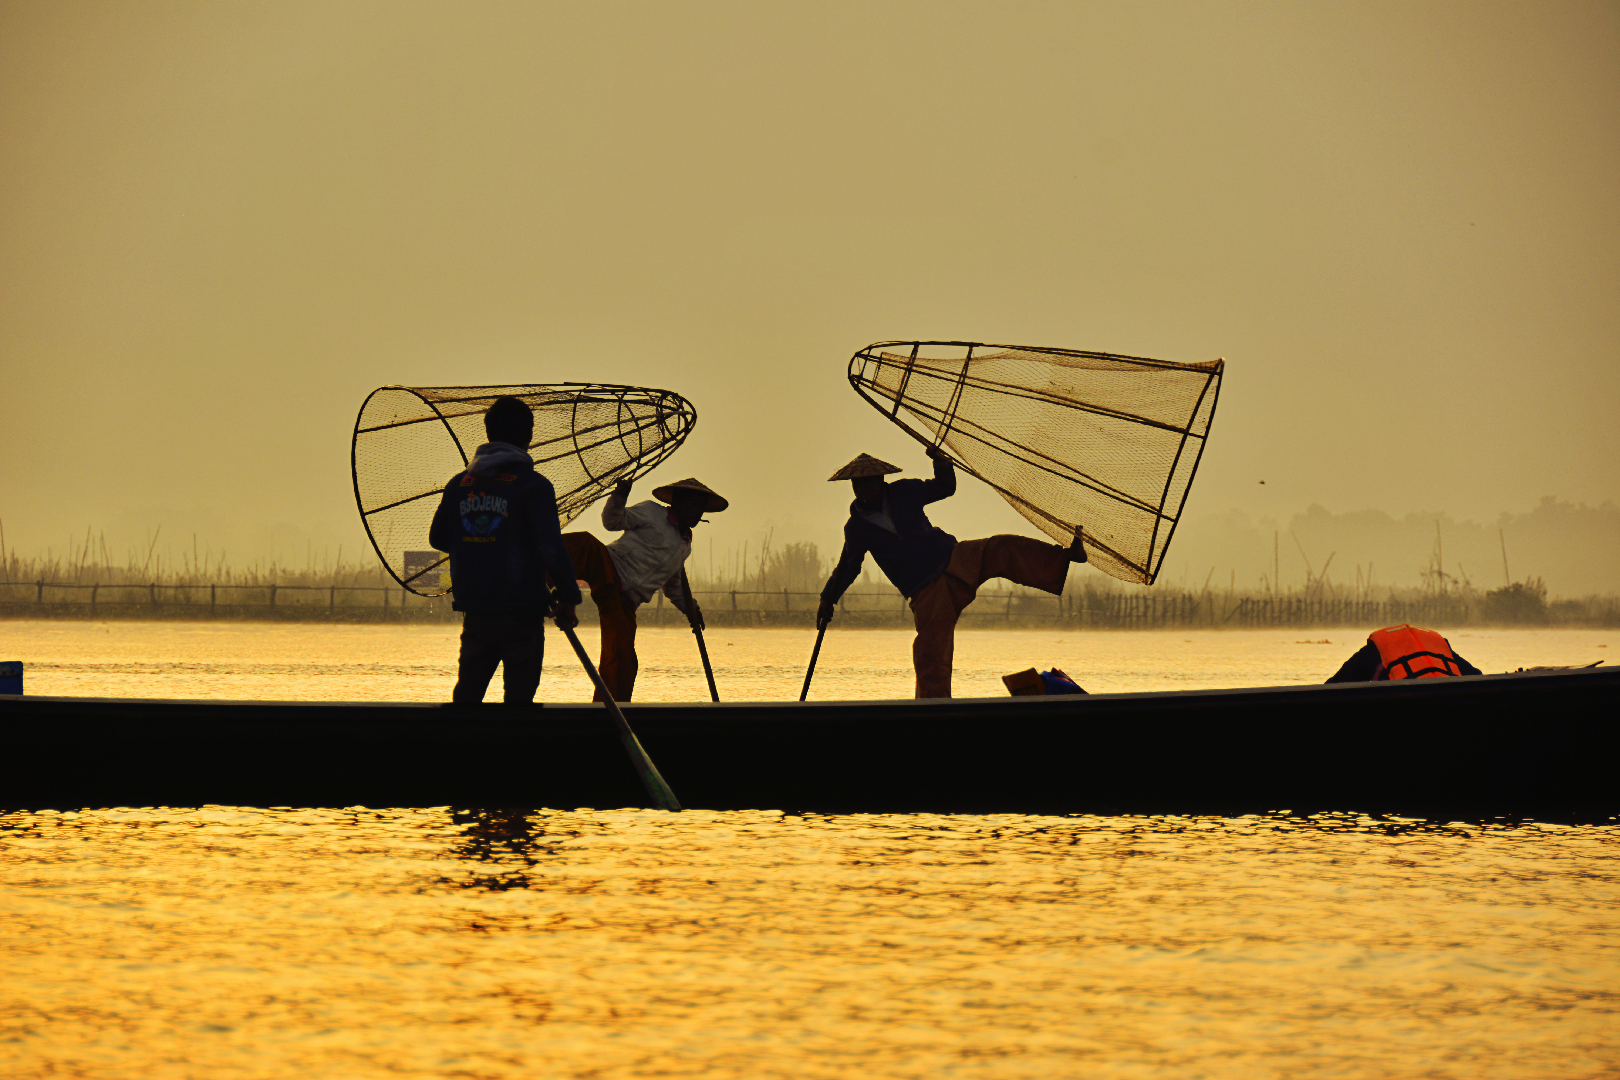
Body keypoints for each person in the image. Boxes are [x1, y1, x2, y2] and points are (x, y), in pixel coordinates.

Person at [815, 448, 1088, 698]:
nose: (864, 489)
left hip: (953, 558)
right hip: (926, 592)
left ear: (881, 480)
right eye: (858, 484)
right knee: (930, 656)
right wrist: (828, 599)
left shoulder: (904, 492)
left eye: (870, 481)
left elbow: (945, 487)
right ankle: (934, 711)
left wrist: (941, 462)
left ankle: (1065, 557)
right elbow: (848, 567)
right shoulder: (856, 528)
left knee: (1002, 548)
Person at [428, 396, 582, 705]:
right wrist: (568, 597)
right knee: (519, 704)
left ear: (488, 433)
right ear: (529, 436)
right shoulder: (534, 485)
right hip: (522, 614)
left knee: (467, 700)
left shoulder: (460, 484)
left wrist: (478, 543)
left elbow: (438, 538)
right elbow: (551, 547)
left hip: (477, 611)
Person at [561, 477, 727, 701]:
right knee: (582, 545)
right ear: (678, 502)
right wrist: (619, 496)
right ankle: (532, 572)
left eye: (701, 507)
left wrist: (692, 610)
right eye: (693, 504)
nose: (698, 512)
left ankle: (610, 711)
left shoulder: (684, 544)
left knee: (624, 660)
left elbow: (674, 586)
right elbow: (612, 521)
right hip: (609, 567)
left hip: (625, 601)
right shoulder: (652, 512)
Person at [1325, 624, 1482, 683]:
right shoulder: (1438, 643)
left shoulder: (1374, 650)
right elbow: (1478, 677)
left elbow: (1332, 688)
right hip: (1450, 699)